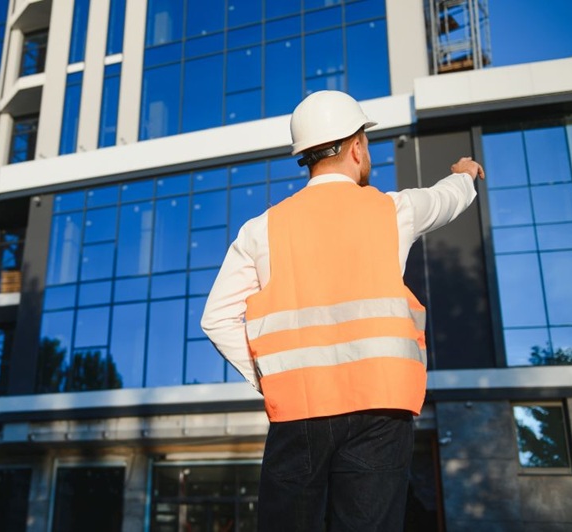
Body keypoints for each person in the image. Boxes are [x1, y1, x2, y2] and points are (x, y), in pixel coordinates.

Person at [201, 90, 484, 531]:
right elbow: (444, 199)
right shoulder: (393, 210)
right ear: (357, 147)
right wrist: (465, 175)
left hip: (299, 412)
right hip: (381, 410)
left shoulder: (261, 230)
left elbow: (216, 317)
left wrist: (271, 377)